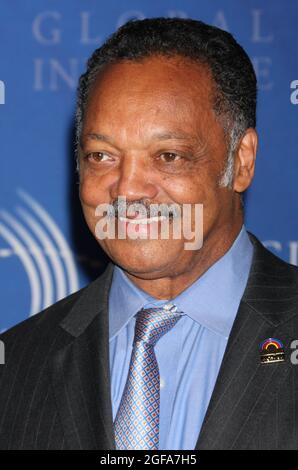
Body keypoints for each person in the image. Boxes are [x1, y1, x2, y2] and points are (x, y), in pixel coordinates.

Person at [0, 17, 297, 451]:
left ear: (242, 160)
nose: (128, 189)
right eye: (101, 155)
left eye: (168, 156)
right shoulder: (17, 364)